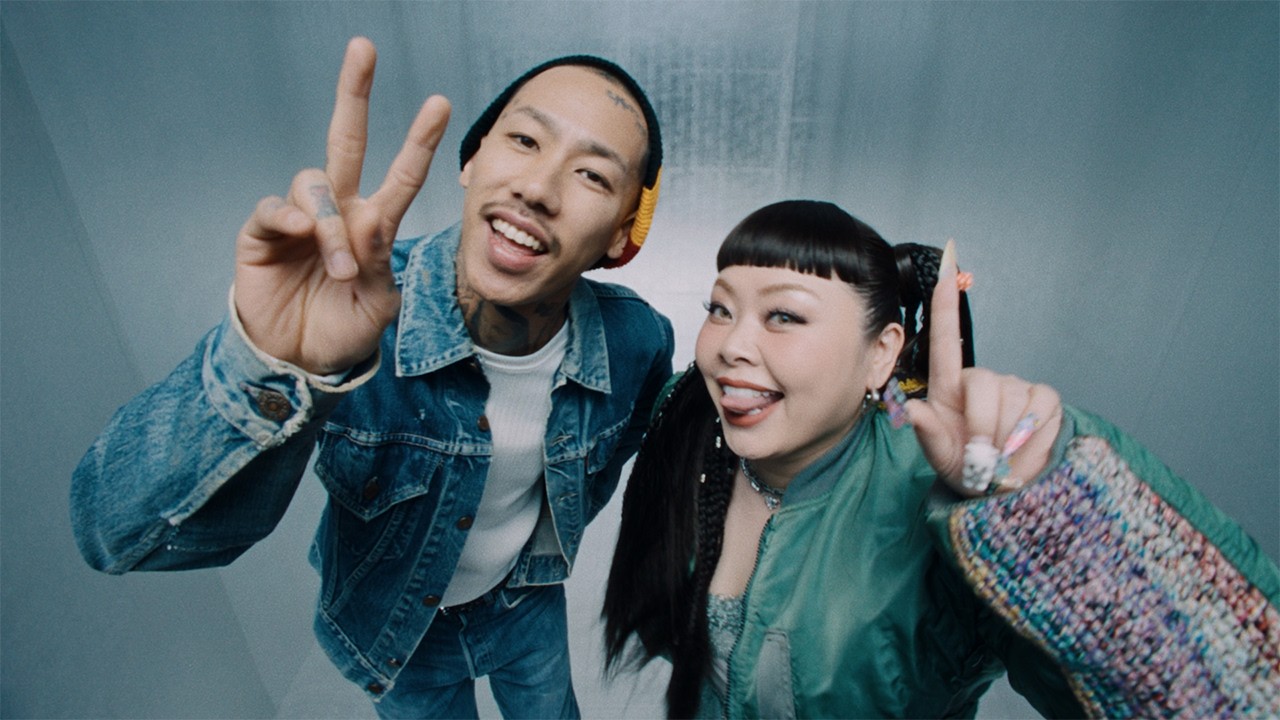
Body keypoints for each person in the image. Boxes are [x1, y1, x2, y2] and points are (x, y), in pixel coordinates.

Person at [71, 38, 675, 718]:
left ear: (622, 235)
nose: (537, 188)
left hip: (526, 604)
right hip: (399, 630)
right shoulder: (358, 316)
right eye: (525, 140)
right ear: (472, 159)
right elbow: (113, 537)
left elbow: (632, 452)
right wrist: (274, 365)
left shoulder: (638, 340)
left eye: (592, 175)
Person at [602, 200, 1280, 718]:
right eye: (720, 309)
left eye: (784, 316)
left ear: (882, 353)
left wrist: (1044, 509)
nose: (730, 346)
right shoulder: (686, 420)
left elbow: (1231, 693)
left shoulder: (943, 495)